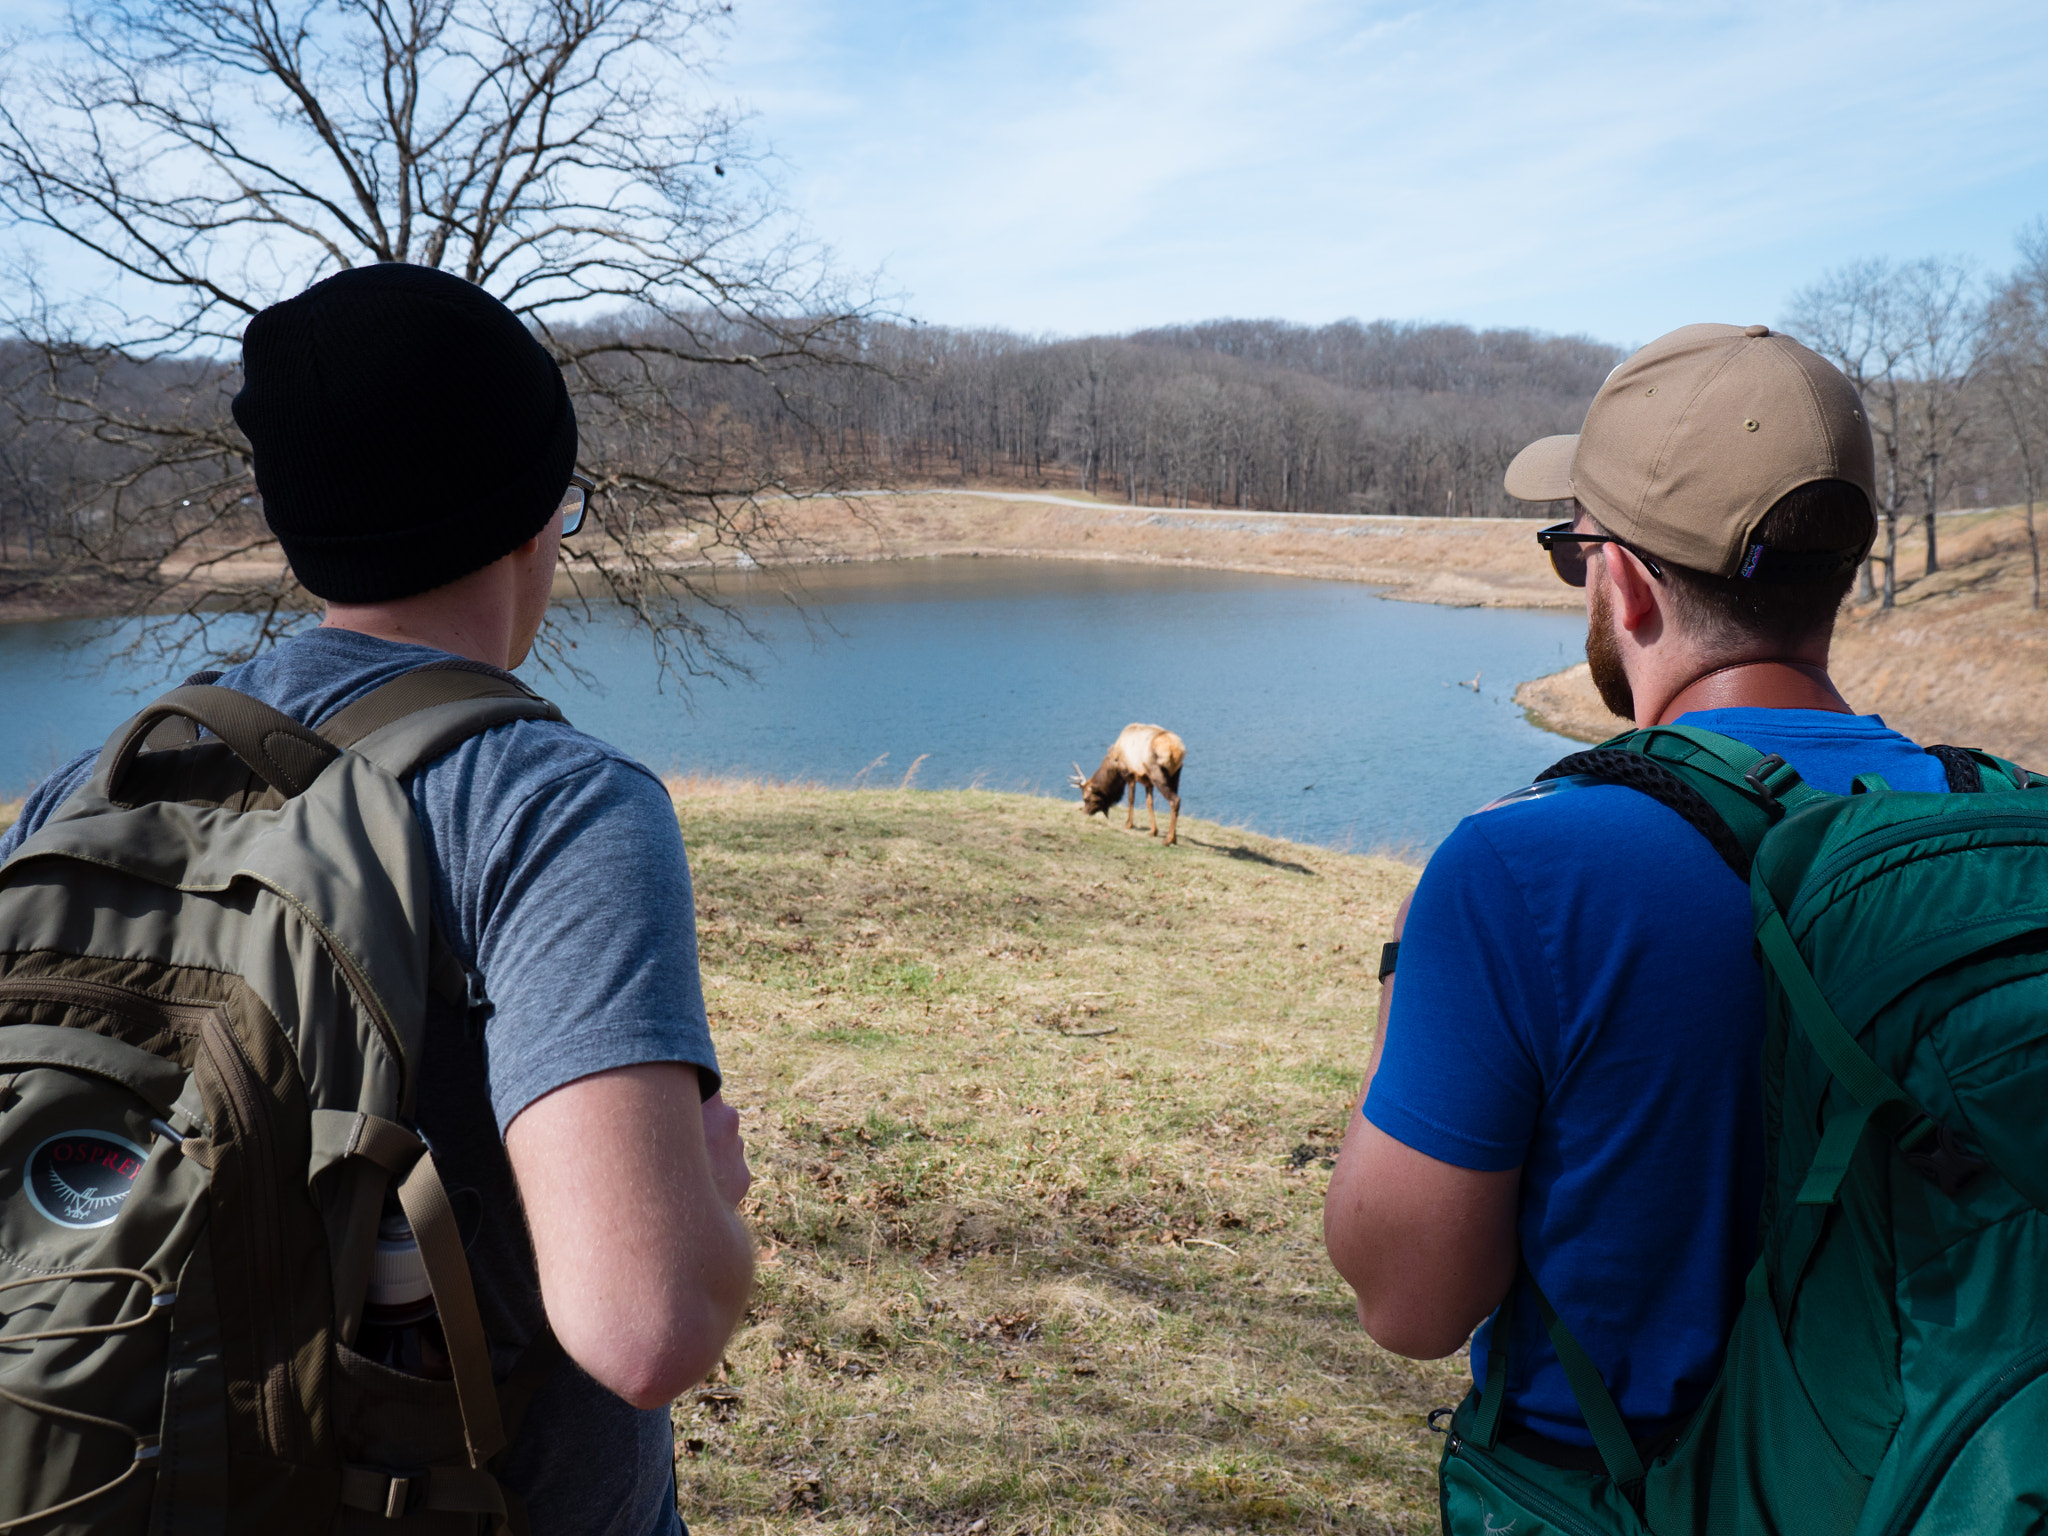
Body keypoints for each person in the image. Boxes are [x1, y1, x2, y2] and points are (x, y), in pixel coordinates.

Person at [0, 262, 754, 1536]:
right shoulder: (554, 805)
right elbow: (643, 1327)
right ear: (532, 517)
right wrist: (714, 1206)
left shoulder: (101, 781)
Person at [1321, 322, 1933, 1467]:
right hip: (1954, 1488)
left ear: (1626, 580)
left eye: (1572, 551)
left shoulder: (1527, 871)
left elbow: (1404, 1305)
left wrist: (1411, 971)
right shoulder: (1998, 827)